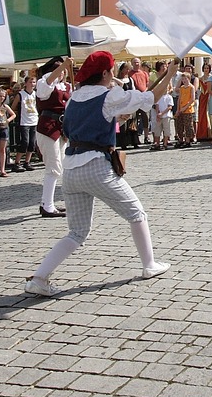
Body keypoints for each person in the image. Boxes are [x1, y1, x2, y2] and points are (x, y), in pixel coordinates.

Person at [23, 53, 177, 297]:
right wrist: (168, 75)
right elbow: (150, 98)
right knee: (137, 213)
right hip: (96, 167)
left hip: (71, 168)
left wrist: (117, 116)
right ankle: (149, 264)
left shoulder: (74, 96)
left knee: (76, 232)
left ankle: (39, 278)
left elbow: (88, 122)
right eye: (111, 71)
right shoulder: (108, 95)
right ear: (105, 73)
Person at [35, 57, 72, 217]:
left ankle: (47, 202)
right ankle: (47, 206)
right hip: (47, 128)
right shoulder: (44, 83)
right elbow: (48, 83)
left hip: (61, 128)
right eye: (59, 69)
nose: (62, 72)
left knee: (60, 166)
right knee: (53, 167)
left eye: (63, 70)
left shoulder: (66, 86)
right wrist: (63, 66)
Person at [15, 76, 39, 172]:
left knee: (32, 143)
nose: (32, 84)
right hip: (24, 121)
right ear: (25, 83)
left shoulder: (35, 94)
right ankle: (17, 162)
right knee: (25, 142)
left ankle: (27, 162)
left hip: (34, 120)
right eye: (30, 82)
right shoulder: (20, 95)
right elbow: (14, 107)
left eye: (34, 82)